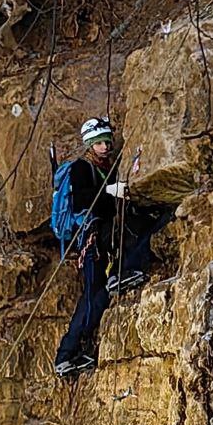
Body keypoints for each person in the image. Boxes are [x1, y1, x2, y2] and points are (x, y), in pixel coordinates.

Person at [52, 117, 163, 378]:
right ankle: (67, 354)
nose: (105, 147)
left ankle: (71, 353)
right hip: (92, 240)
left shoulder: (107, 169)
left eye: (107, 141)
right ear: (90, 144)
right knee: (93, 295)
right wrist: (111, 192)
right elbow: (82, 201)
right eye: (99, 143)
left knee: (98, 296)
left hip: (101, 239)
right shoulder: (81, 168)